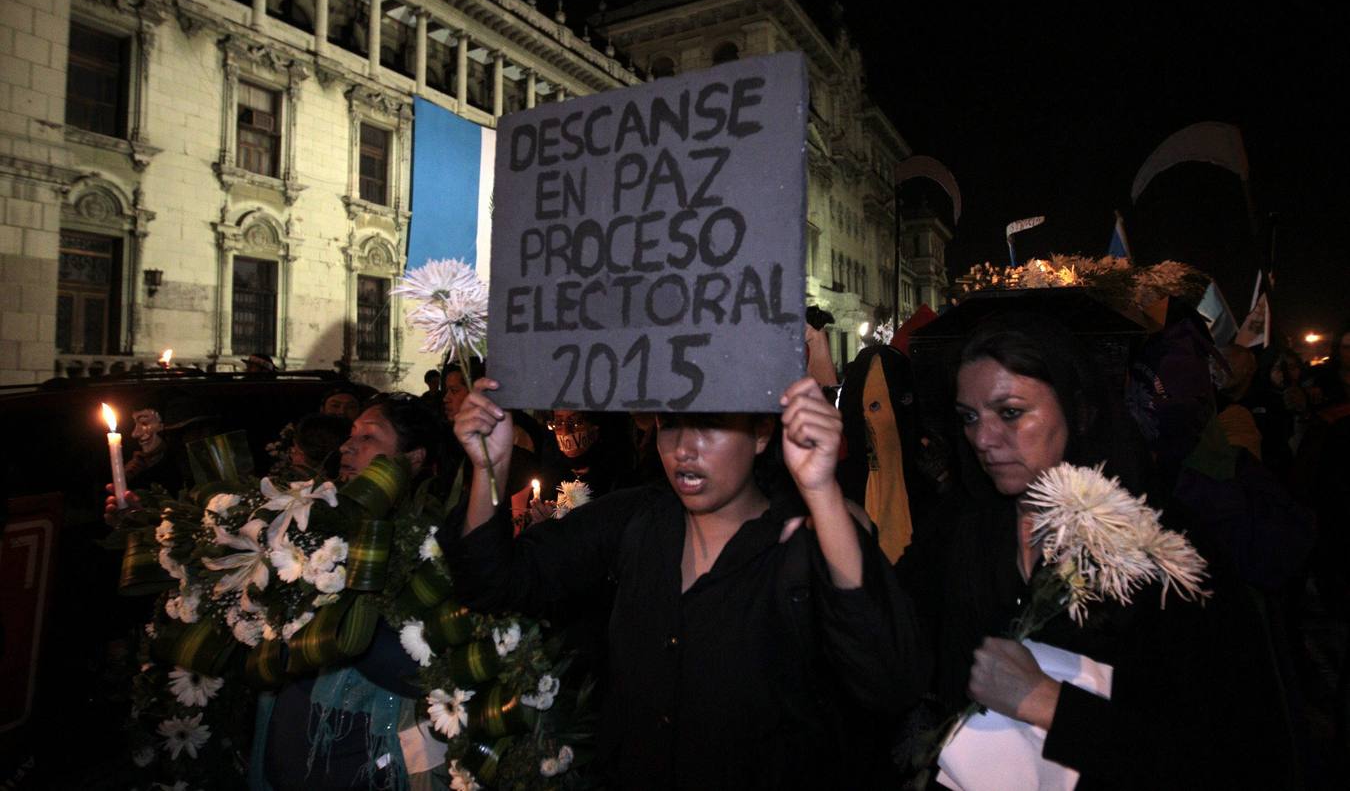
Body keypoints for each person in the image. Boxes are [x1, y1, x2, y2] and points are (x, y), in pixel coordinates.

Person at [451, 377, 926, 788]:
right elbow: (494, 583)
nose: (684, 448)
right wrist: (487, 467)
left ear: (762, 433)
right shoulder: (636, 521)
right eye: (671, 424)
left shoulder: (802, 545)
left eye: (711, 423)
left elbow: (889, 680)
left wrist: (821, 491)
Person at [900, 312, 1302, 787]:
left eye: (1010, 412)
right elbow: (891, 647)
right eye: (969, 417)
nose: (984, 439)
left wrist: (1051, 704)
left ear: (1078, 410)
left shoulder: (1158, 545)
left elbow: (1233, 747)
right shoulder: (961, 527)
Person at [256, 394, 446, 790]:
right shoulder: (315, 522)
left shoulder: (429, 543)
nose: (347, 445)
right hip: (293, 738)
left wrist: (340, 630)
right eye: (351, 434)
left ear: (412, 458)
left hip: (359, 753)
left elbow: (421, 668)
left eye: (369, 437)